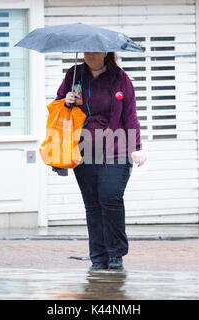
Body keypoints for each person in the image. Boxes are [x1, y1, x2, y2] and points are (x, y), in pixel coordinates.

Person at [55, 52, 147, 271]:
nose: (90, 55)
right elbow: (57, 106)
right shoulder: (74, 74)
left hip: (116, 148)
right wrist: (65, 100)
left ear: (106, 53)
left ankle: (116, 254)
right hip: (84, 148)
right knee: (93, 205)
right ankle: (98, 257)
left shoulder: (120, 78)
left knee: (111, 198)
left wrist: (137, 148)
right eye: (86, 50)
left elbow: (130, 115)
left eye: (95, 51)